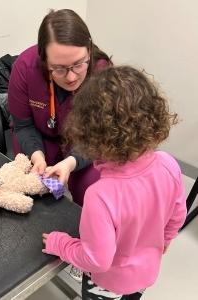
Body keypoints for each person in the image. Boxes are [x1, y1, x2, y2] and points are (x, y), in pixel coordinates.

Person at [42, 66, 187, 299]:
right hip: (147, 273)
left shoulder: (100, 194)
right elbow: (177, 214)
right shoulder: (168, 163)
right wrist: (166, 239)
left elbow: (96, 259)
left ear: (88, 133)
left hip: (108, 283)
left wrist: (61, 244)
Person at [8, 9, 112, 207]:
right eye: (60, 68)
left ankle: (84, 237)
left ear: (89, 50)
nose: (71, 77)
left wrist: (71, 162)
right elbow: (23, 125)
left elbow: (99, 134)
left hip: (87, 143)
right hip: (38, 138)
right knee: (34, 192)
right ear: (44, 59)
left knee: (92, 192)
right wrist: (36, 155)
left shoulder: (102, 73)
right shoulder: (24, 68)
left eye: (79, 64)